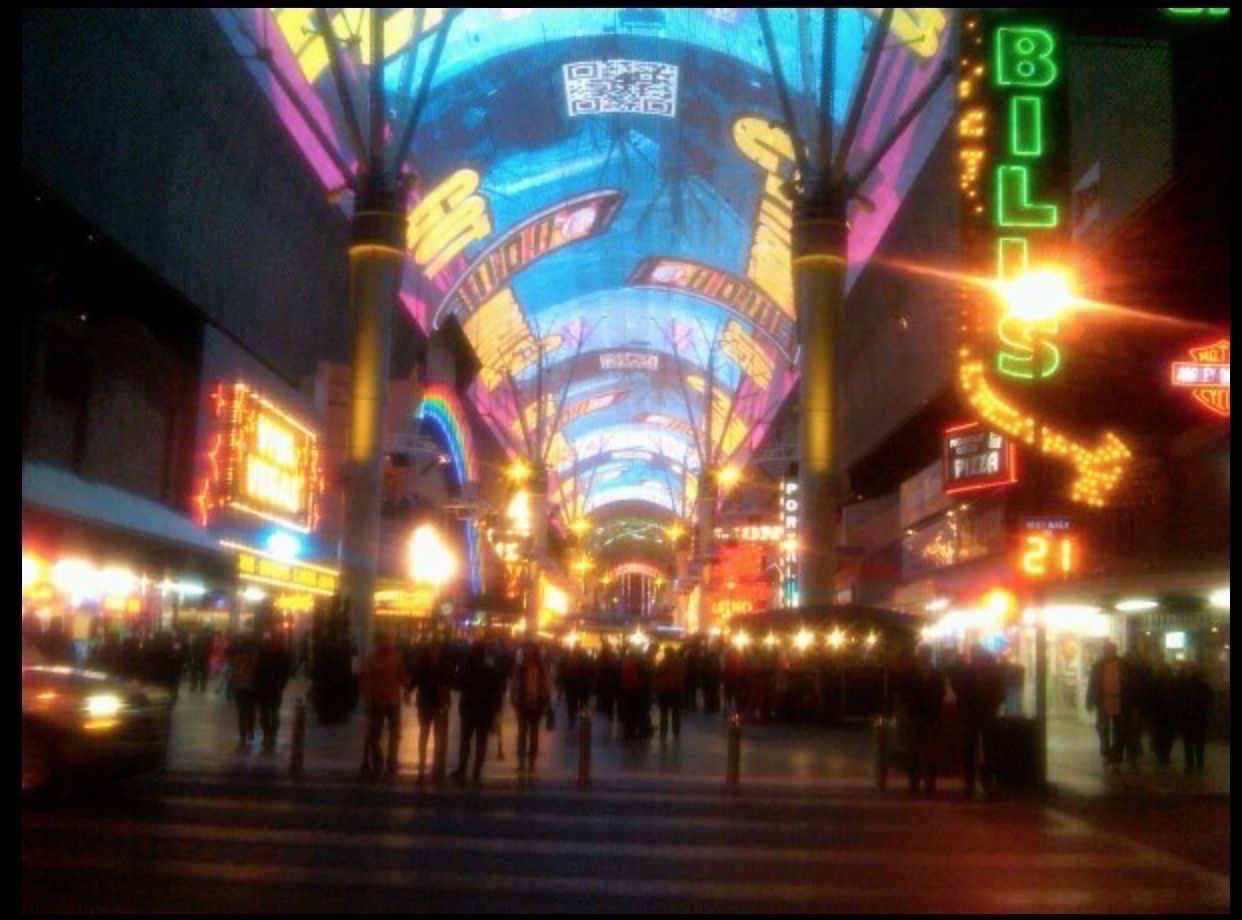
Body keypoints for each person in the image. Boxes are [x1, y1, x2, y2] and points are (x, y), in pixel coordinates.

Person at [949, 644, 1006, 796]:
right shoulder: (986, 671)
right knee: (983, 748)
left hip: (977, 713)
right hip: (978, 713)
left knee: (977, 748)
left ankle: (976, 781)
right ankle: (980, 781)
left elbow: (960, 689)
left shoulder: (971, 671)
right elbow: (999, 691)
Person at [895, 644, 947, 794]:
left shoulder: (932, 674)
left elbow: (940, 692)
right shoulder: (913, 674)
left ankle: (926, 782)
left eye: (926, 653)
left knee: (926, 751)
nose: (925, 656)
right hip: (918, 715)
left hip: (927, 716)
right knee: (916, 751)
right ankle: (916, 782)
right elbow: (903, 693)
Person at [358, 630, 408, 782]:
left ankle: (387, 761)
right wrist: (368, 700)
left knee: (390, 734)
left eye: (387, 640)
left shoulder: (392, 658)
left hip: (389, 700)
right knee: (377, 735)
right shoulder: (374, 660)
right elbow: (366, 682)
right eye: (384, 640)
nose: (386, 643)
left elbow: (402, 676)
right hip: (380, 701)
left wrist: (406, 687)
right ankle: (382, 760)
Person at [452, 640, 502, 782]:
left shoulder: (465, 668)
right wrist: (496, 710)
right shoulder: (490, 670)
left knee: (465, 740)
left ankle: (462, 768)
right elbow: (496, 692)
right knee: (481, 741)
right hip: (484, 709)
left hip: (468, 707)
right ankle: (477, 770)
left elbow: (456, 686)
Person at [410, 640, 452, 780]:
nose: (435, 652)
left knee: (440, 736)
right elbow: (416, 679)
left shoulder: (444, 664)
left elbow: (450, 680)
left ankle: (439, 763)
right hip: (427, 703)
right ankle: (424, 761)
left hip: (439, 702)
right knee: (425, 733)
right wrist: (409, 690)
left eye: (436, 649)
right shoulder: (423, 664)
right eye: (433, 649)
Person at [510, 641, 551, 774]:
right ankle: (521, 762)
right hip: (522, 704)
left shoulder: (541, 668)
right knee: (522, 734)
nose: (528, 652)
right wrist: (514, 698)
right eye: (526, 650)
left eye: (530, 650)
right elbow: (515, 684)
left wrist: (544, 700)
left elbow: (545, 686)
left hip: (536, 704)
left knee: (533, 735)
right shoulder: (520, 667)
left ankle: (531, 761)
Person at [1085, 640, 1125, 768]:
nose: (1108, 653)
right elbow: (1093, 683)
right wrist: (1090, 701)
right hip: (1103, 701)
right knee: (1103, 729)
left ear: (1114, 651)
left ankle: (1117, 754)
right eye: (1106, 650)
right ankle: (1107, 753)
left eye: (1110, 650)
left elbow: (1129, 682)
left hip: (1119, 701)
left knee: (1119, 730)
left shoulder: (1123, 664)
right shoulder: (1098, 665)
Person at [253, 629, 293, 753]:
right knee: (266, 713)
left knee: (273, 712)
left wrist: (281, 684)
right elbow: (257, 670)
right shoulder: (266, 653)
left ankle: (271, 735)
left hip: (273, 687)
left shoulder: (280, 654)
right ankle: (268, 734)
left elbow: (286, 672)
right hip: (266, 687)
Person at [1174, 660, 1213, 773]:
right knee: (1192, 742)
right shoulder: (1197, 684)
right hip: (1193, 717)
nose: (1188, 671)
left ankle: (1195, 764)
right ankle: (1193, 764)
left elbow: (1208, 699)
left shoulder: (1190, 684)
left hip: (1195, 717)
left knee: (1194, 742)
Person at [227, 633, 259, 751]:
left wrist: (231, 685)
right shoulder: (254, 658)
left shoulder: (236, 659)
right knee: (251, 710)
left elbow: (233, 673)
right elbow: (257, 672)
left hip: (239, 687)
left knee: (241, 712)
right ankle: (250, 729)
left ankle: (242, 735)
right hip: (251, 687)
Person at [654, 645, 687, 741]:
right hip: (677, 689)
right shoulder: (680, 663)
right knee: (676, 712)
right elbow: (684, 674)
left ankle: (663, 731)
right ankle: (676, 731)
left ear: (666, 653)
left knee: (664, 712)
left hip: (665, 689)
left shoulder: (663, 662)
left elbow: (658, 674)